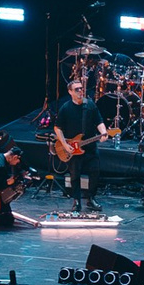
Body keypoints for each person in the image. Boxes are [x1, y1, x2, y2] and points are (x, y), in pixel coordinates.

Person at [52, 78, 106, 215]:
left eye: (82, 88)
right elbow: (57, 128)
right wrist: (65, 144)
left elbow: (99, 121)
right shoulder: (66, 108)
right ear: (70, 92)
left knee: (95, 172)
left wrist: (103, 132)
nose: (81, 91)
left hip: (90, 146)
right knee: (75, 175)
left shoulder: (90, 105)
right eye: (77, 89)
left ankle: (91, 198)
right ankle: (76, 200)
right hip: (72, 148)